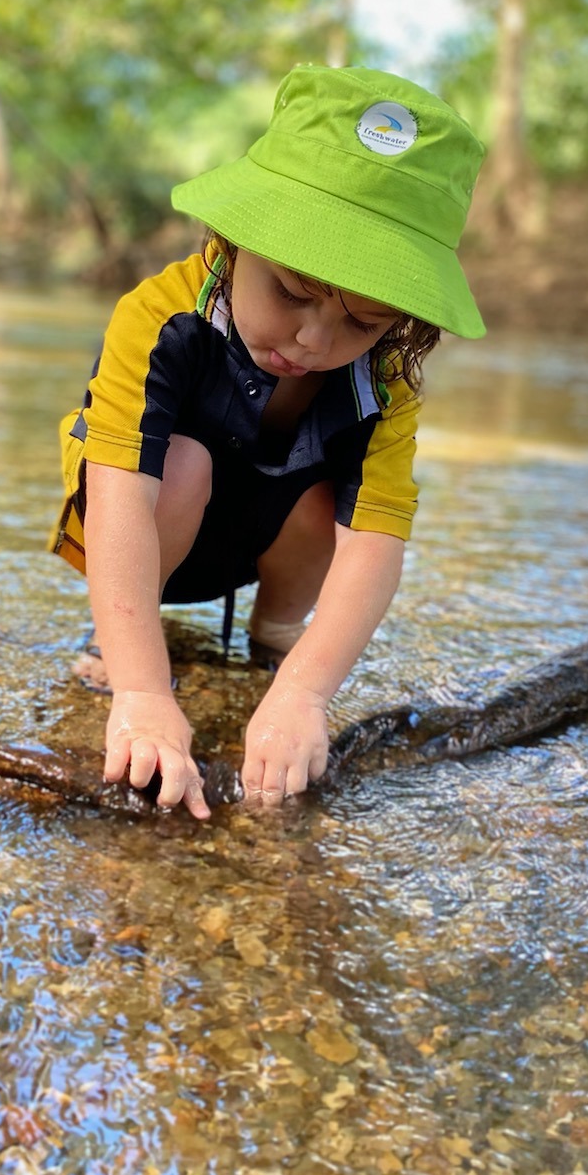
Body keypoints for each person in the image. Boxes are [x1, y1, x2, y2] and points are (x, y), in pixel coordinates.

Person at [49, 63, 486, 818]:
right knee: (183, 463)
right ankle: (122, 640)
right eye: (292, 293)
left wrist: (304, 692)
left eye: (364, 322)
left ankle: (276, 638)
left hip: (270, 533)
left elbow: (374, 542)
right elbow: (117, 495)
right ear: (232, 242)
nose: (314, 339)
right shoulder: (158, 318)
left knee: (328, 501)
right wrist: (144, 693)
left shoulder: (385, 383)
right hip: (146, 530)